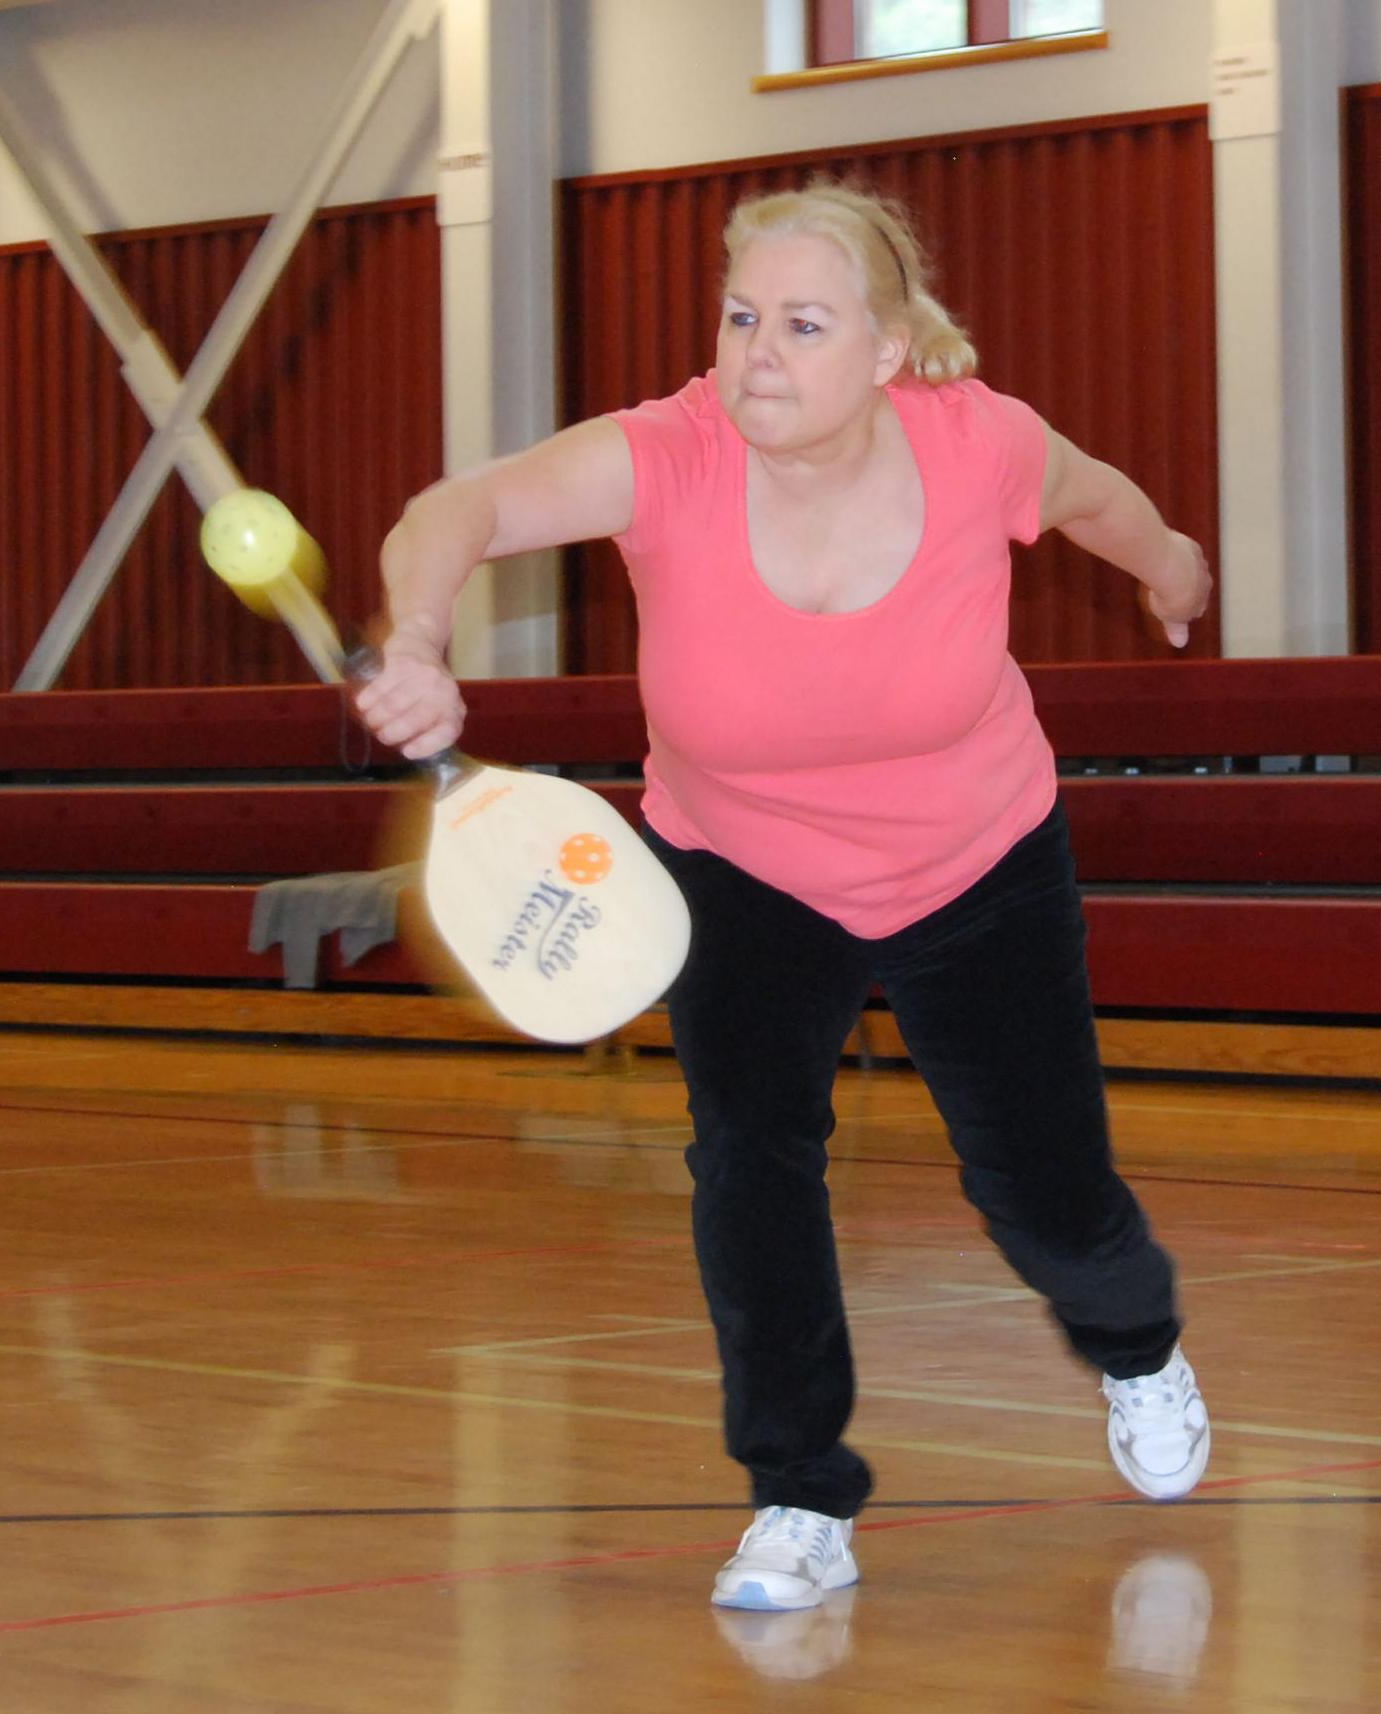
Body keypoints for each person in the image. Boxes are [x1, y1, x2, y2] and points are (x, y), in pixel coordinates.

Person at [354, 183, 1213, 1613]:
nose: (758, 352)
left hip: (977, 859)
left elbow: (1101, 500)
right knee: (750, 1164)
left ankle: (1137, 1345)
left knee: (1046, 1195)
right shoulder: (670, 456)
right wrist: (423, 635)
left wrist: (1170, 562)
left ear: (886, 351)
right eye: (741, 316)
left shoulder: (974, 440)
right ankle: (800, 1493)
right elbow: (461, 506)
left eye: (803, 325)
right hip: (743, 868)